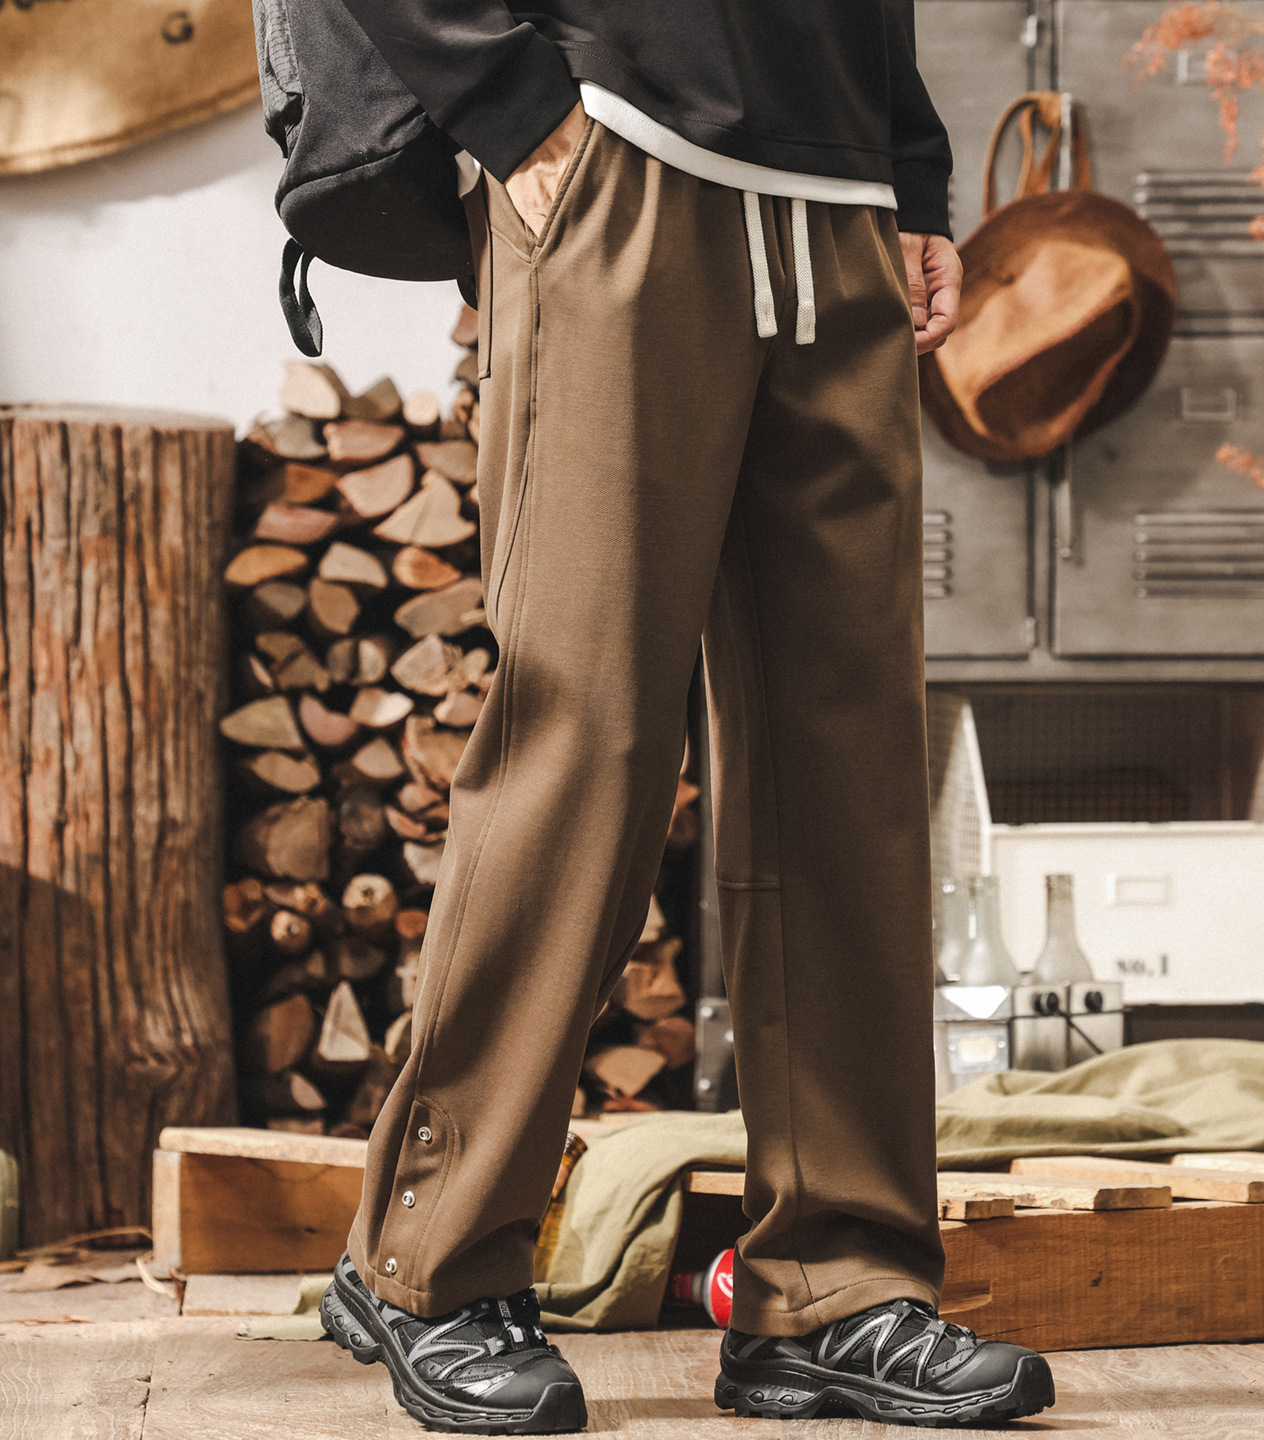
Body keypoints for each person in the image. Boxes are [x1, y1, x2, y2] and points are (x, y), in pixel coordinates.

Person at [315, 0, 1056, 1430]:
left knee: (847, 767)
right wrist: (513, 109)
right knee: (582, 738)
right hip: (618, 160)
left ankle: (835, 1284)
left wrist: (908, 166)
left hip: (836, 196)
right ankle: (428, 1262)